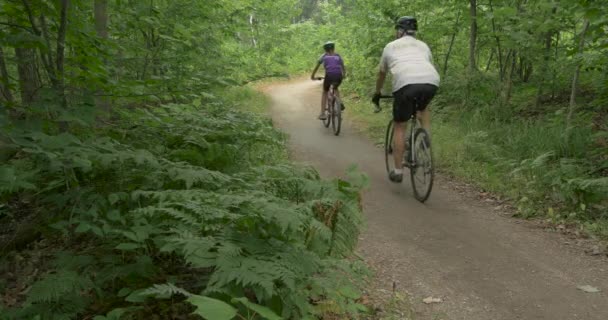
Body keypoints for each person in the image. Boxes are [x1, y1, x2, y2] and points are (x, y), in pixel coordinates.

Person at [372, 16, 440, 183]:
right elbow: (427, 64)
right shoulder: (423, 45)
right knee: (422, 108)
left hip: (405, 83)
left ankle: (398, 171)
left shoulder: (390, 46)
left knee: (400, 126)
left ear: (399, 31)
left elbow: (382, 73)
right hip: (431, 81)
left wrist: (378, 92)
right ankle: (425, 136)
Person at [311, 42, 346, 120]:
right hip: (338, 76)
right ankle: (340, 103)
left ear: (325, 49)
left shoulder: (324, 56)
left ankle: (323, 113)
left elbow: (316, 67)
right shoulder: (338, 56)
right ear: (334, 48)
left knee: (325, 92)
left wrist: (312, 76)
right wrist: (344, 75)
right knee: (336, 88)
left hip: (329, 76)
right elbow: (343, 66)